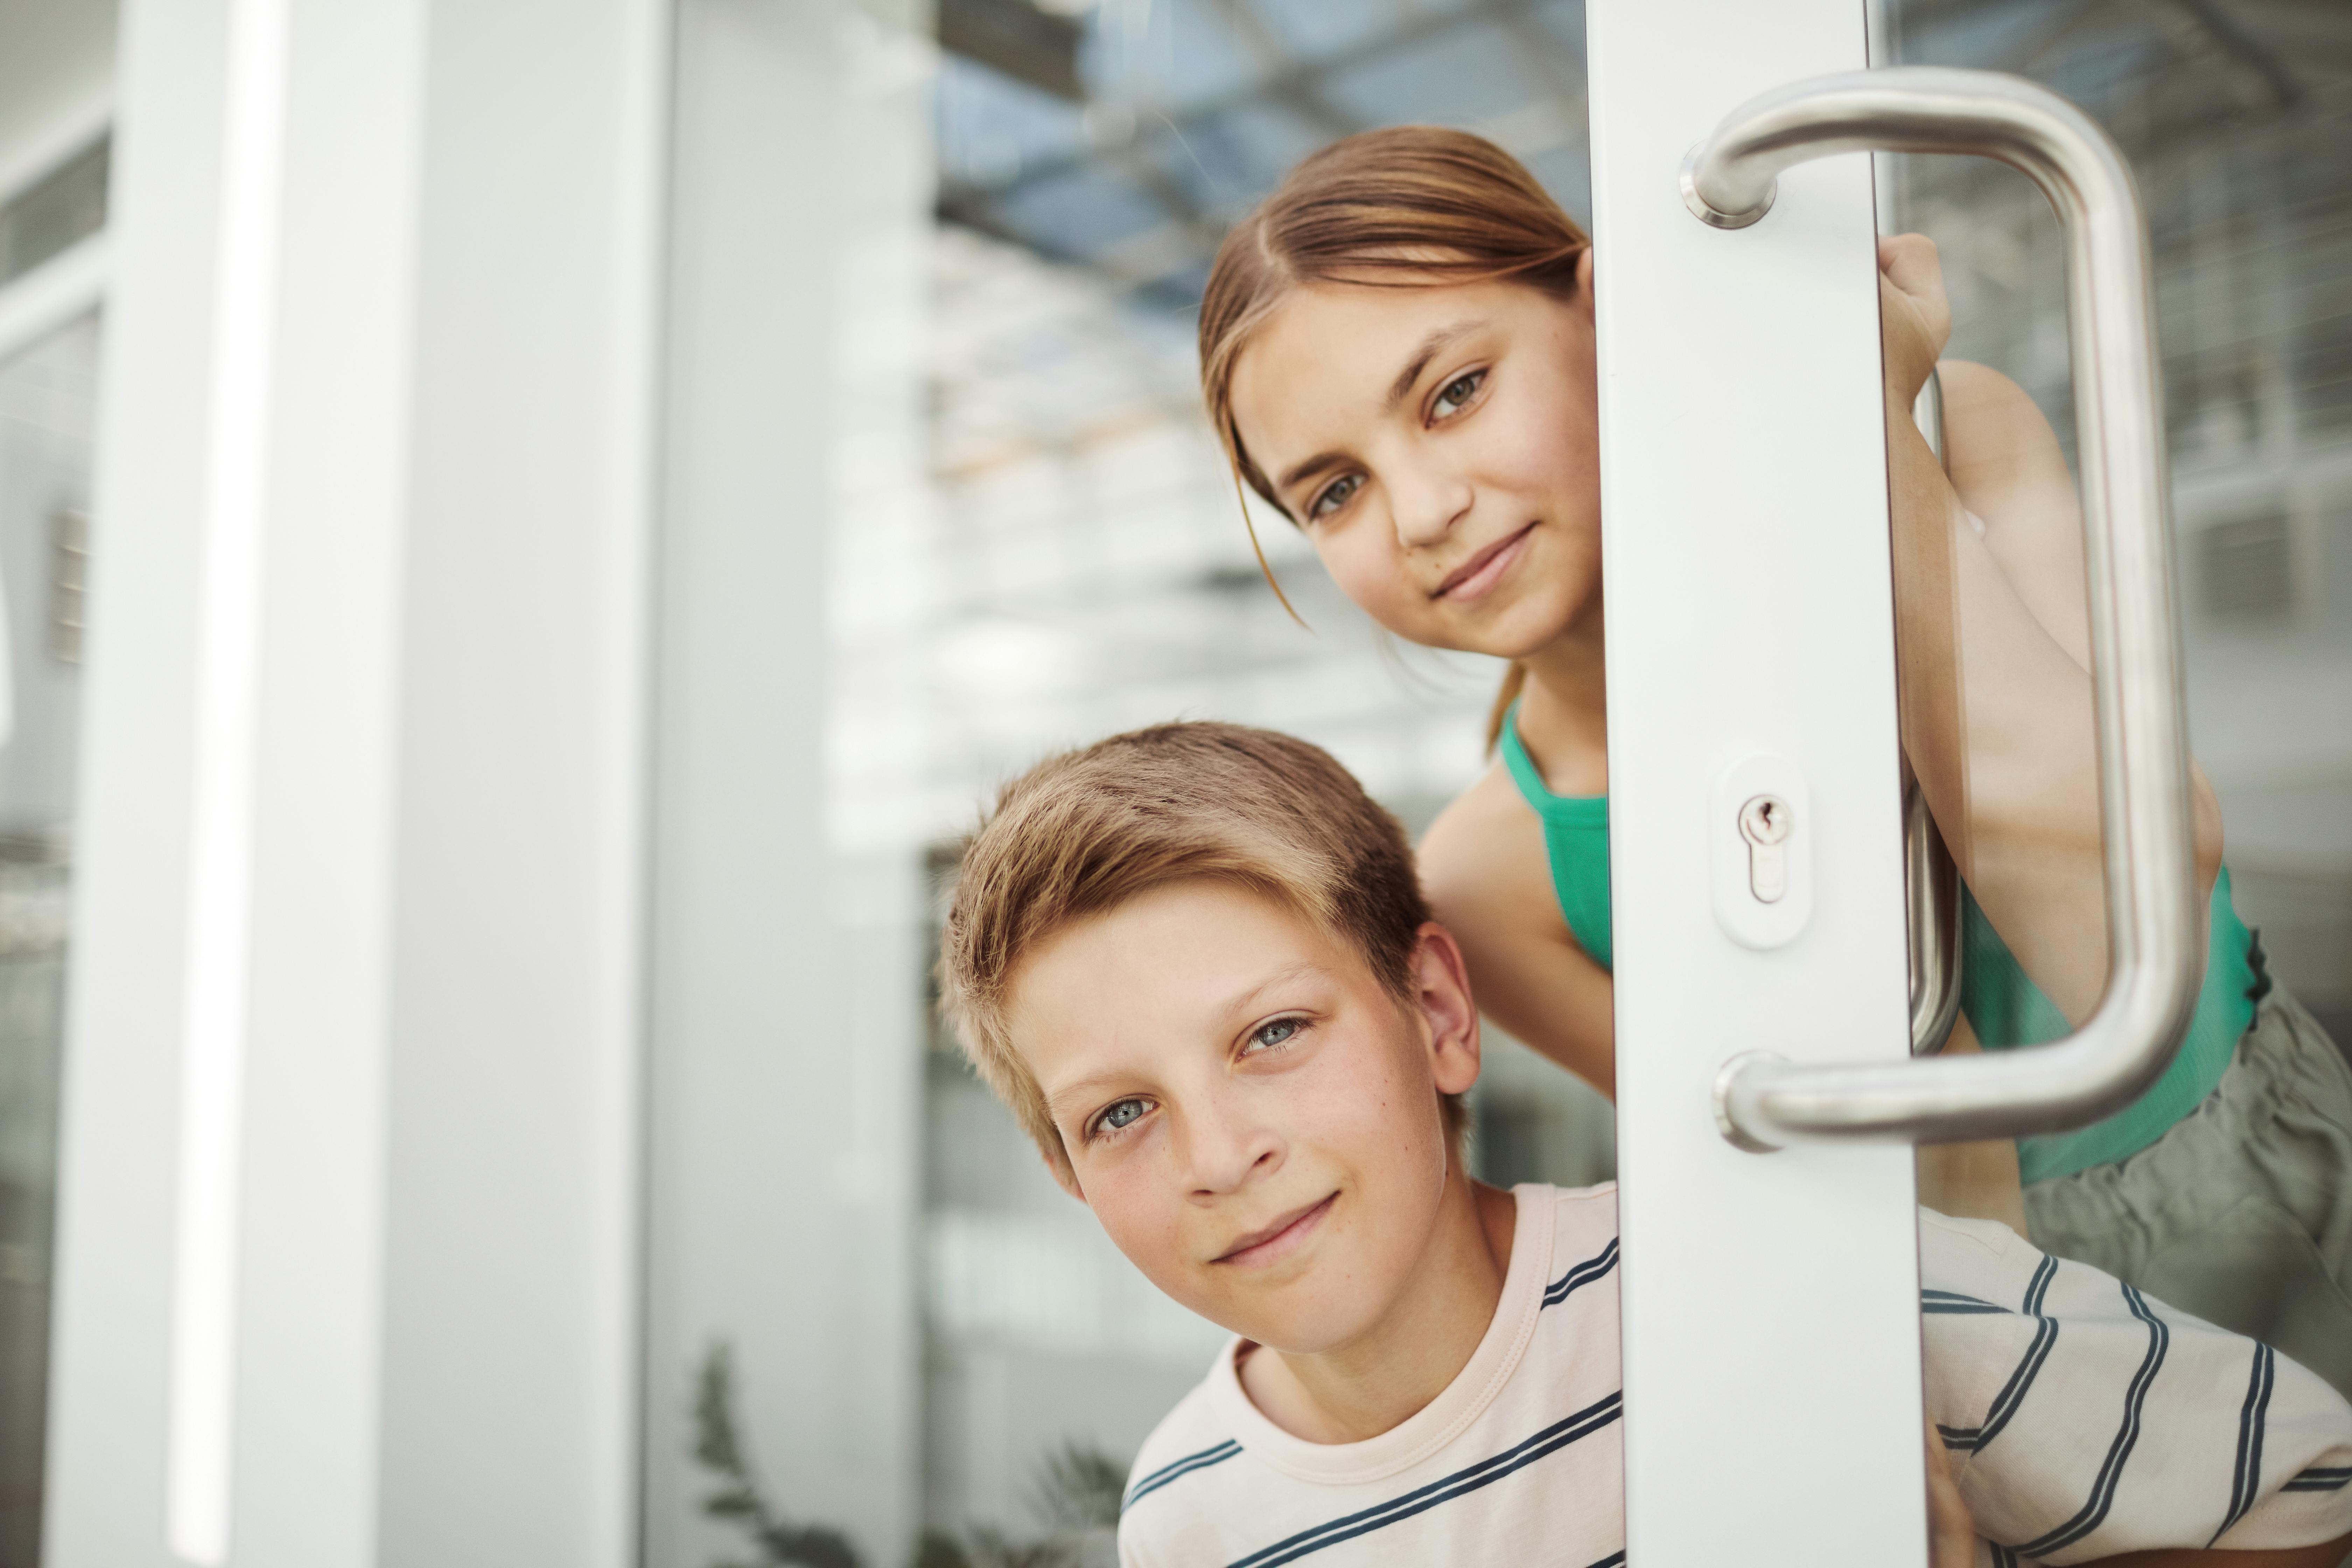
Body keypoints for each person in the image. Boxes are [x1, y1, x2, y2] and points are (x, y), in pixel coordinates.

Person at [1195, 125, 2352, 1399]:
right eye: (1335, 492)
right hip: (1995, 1348)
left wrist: (1866, 430)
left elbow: (2121, 902)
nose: (1422, 511)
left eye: (1455, 392)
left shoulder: (1949, 432)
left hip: (2276, 1201)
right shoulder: (1488, 878)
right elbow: (1879, 1192)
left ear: (1608, 308)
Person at [934, 720, 2352, 1568]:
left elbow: (2307, 1491)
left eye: (1273, 1035)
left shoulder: (1775, 1294)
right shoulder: (1186, 1516)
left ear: (1434, 1009)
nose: (1218, 1149)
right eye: (1121, 1113)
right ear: (1066, 1174)